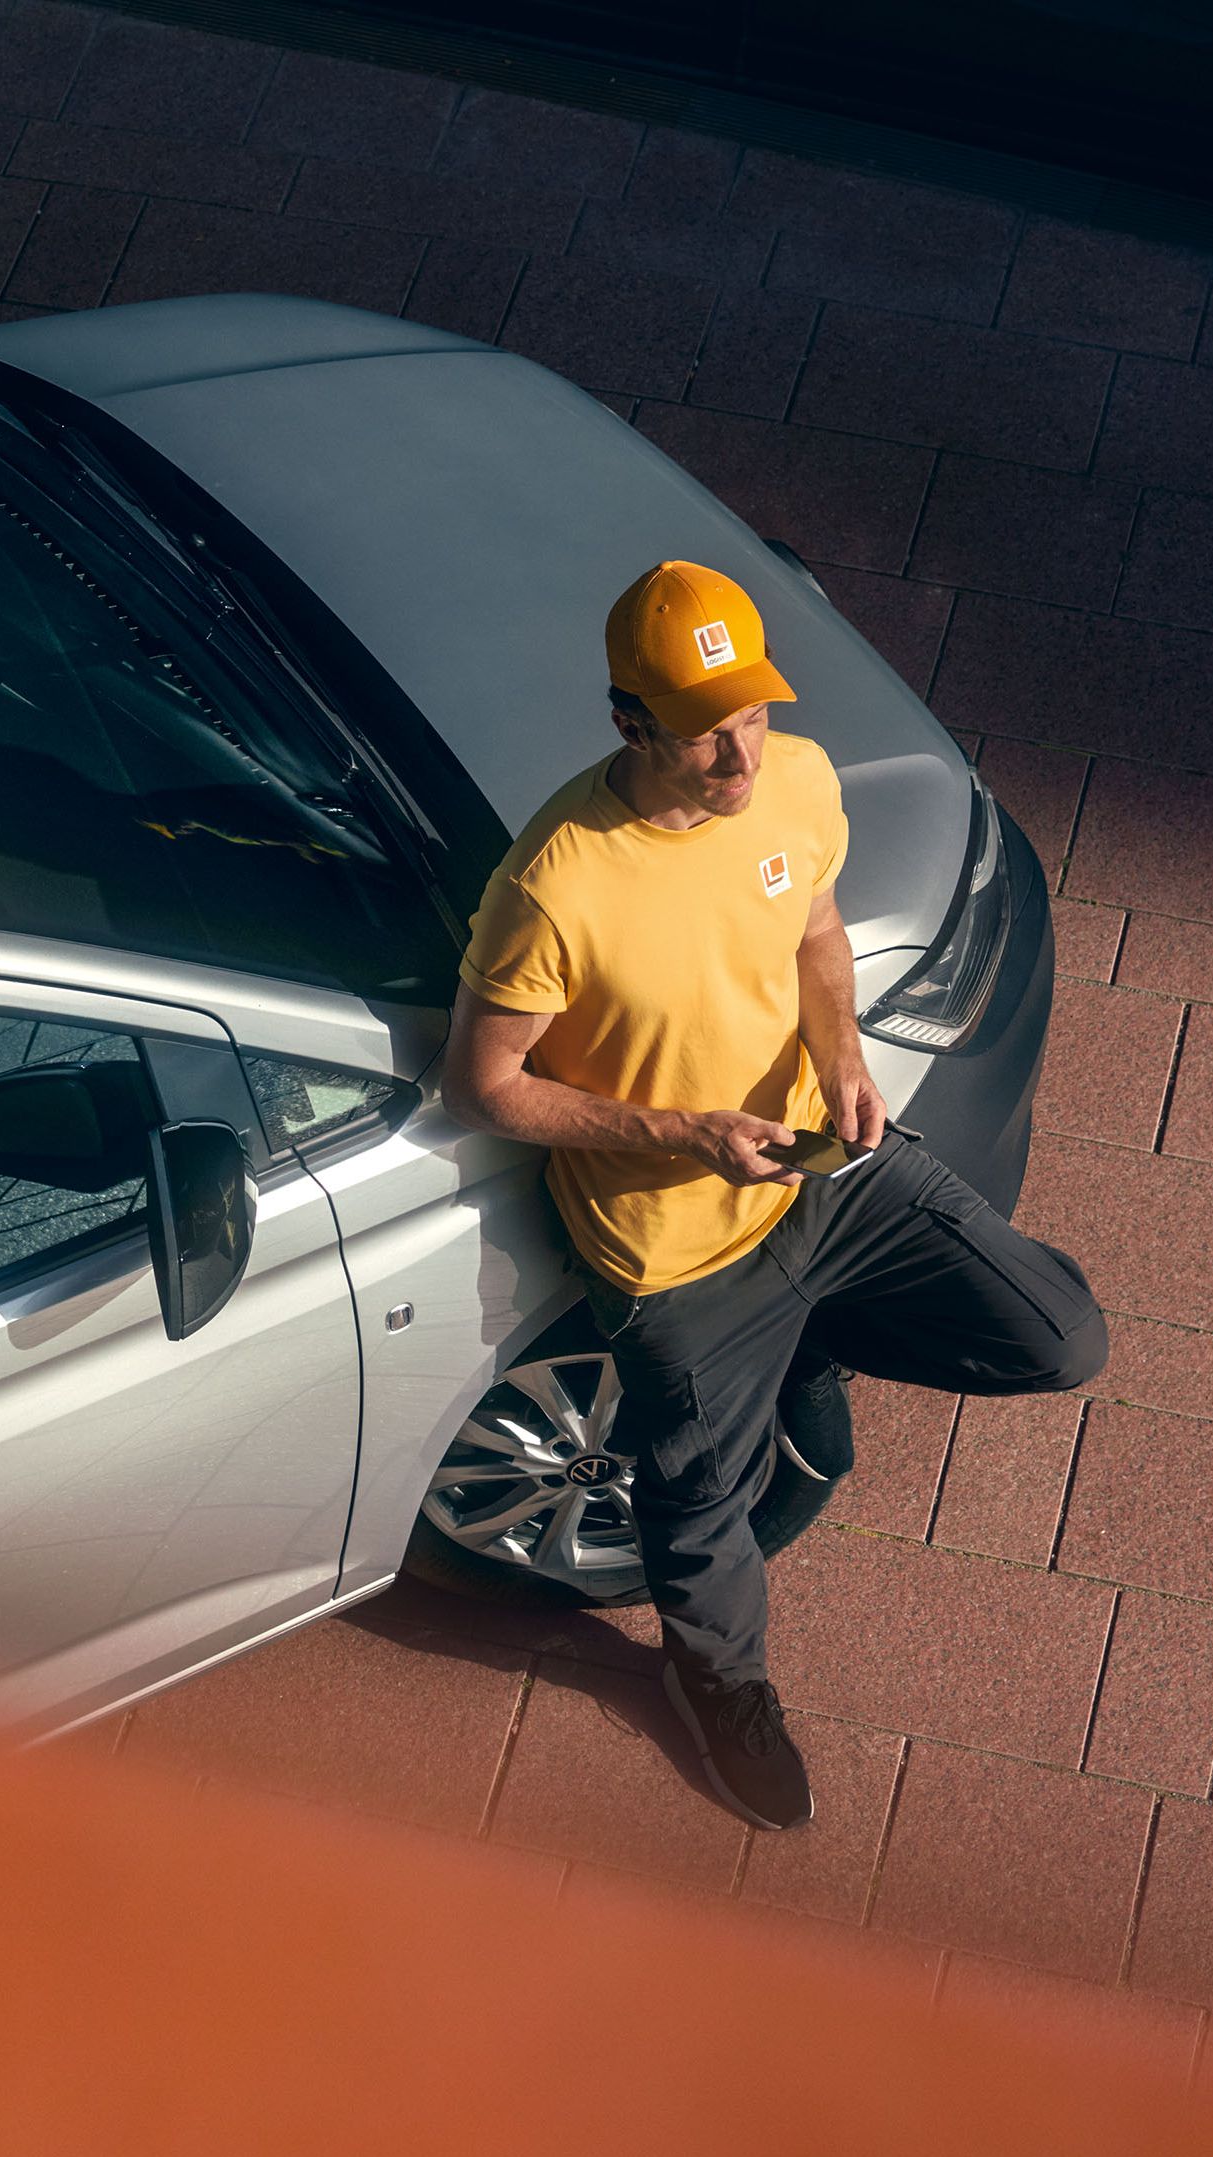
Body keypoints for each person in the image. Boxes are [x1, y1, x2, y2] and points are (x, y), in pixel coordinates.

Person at [441, 559, 1107, 1833]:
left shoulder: (795, 782)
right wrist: (679, 1131)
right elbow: (484, 1084)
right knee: (702, 1522)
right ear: (631, 722)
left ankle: (807, 1342)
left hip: (820, 1177)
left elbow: (812, 933)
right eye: (705, 732)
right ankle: (722, 1693)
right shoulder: (557, 885)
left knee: (1061, 1339)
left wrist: (845, 1054)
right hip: (674, 1256)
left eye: (751, 715)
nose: (740, 756)